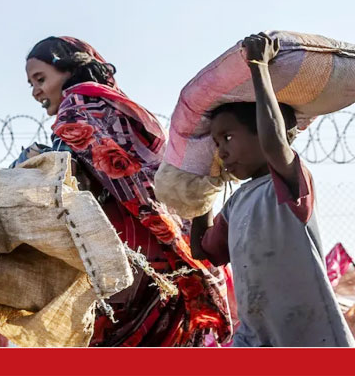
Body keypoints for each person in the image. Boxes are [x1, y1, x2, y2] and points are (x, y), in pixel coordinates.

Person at [20, 37, 230, 346]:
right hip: (163, 252)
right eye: (31, 84)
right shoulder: (123, 106)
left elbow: (68, 186)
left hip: (122, 259)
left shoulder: (75, 109)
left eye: (41, 79)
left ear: (69, 70)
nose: (36, 90)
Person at [191, 33, 355, 347]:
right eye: (215, 144)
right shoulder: (236, 203)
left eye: (227, 137)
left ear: (262, 131)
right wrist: (203, 183)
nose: (221, 152)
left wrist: (258, 67)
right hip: (256, 340)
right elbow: (203, 251)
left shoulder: (288, 182)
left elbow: (274, 143)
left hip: (310, 338)